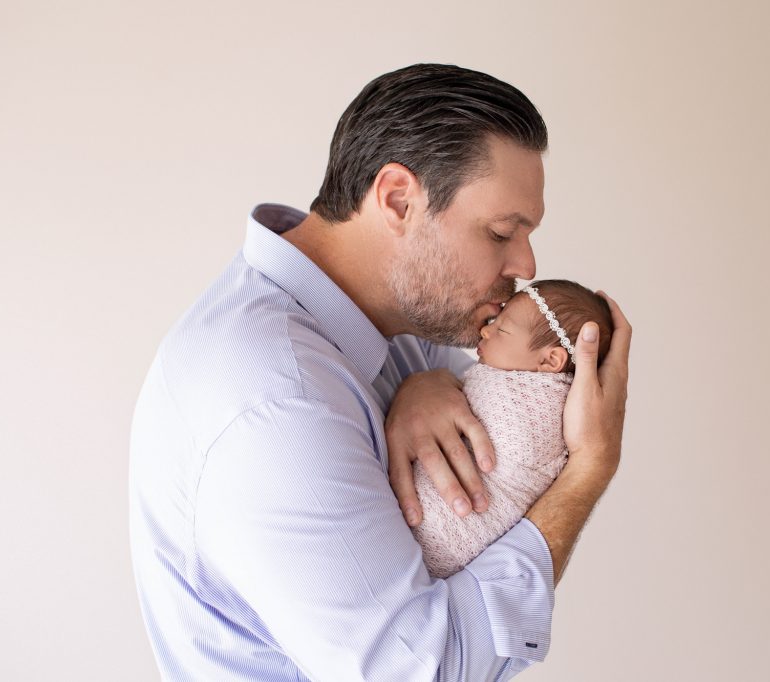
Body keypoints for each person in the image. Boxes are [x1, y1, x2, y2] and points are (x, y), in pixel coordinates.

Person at [129, 63, 631, 682]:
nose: (526, 264)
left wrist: (428, 386)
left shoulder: (389, 319)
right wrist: (589, 470)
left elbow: (486, 388)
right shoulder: (278, 396)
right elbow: (421, 670)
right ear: (398, 200)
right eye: (502, 232)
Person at [412, 280, 614, 579]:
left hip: (444, 537)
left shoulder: (530, 407)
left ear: (550, 360)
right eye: (493, 322)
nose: (486, 331)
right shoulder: (498, 379)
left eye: (501, 329)